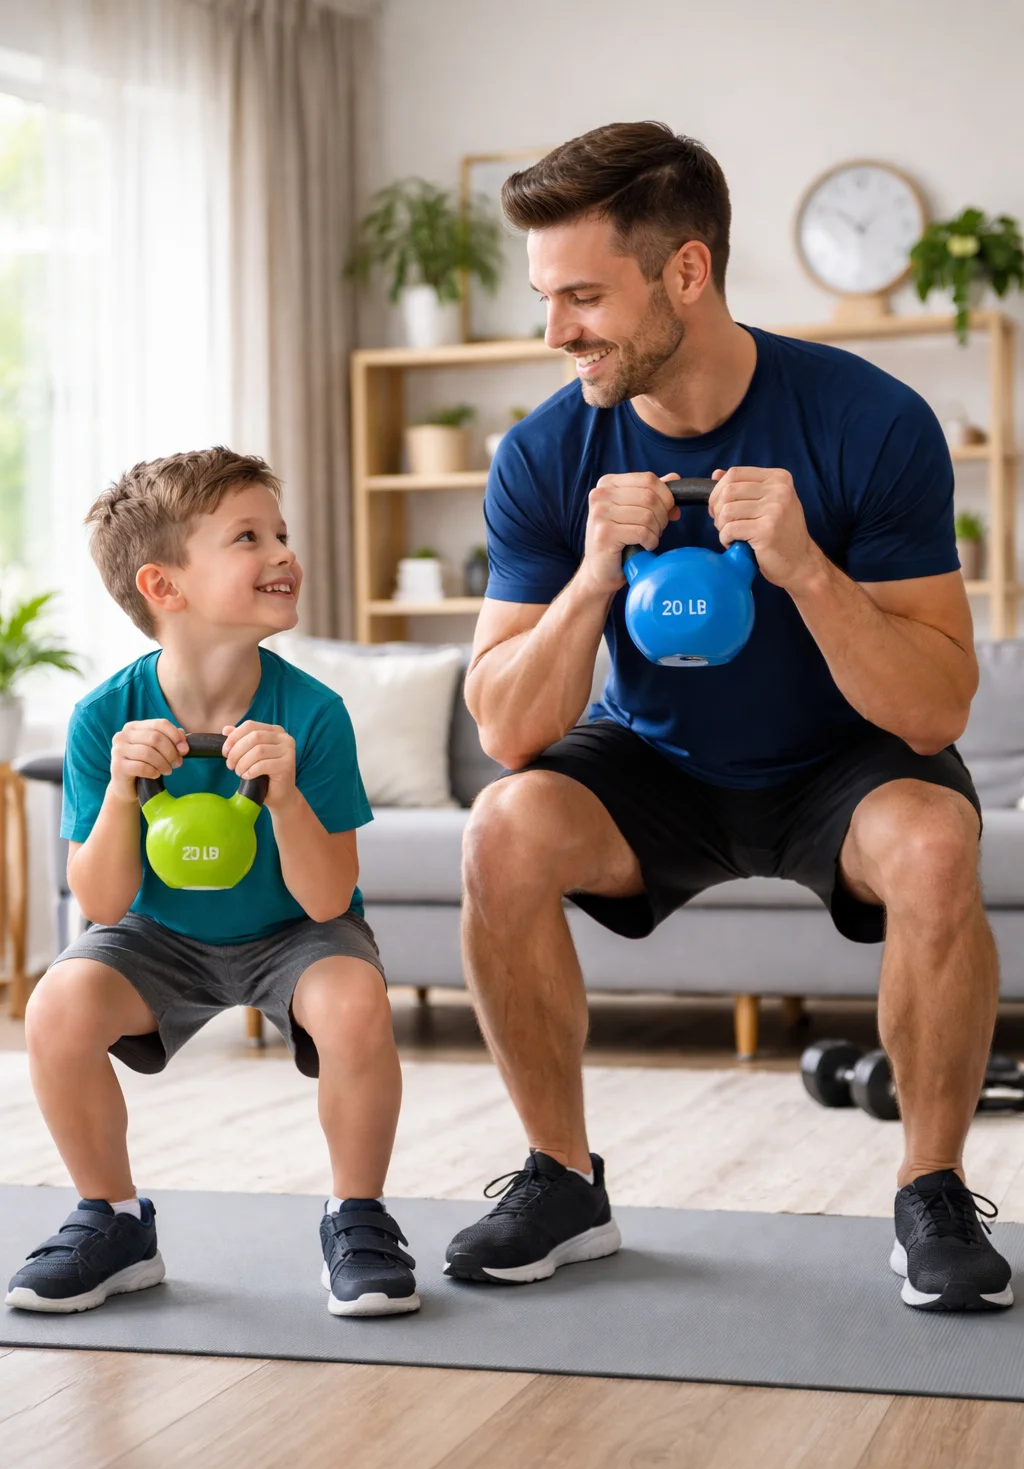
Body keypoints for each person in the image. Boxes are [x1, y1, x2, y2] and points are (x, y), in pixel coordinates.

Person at [444, 122, 1012, 1313]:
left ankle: (932, 1190)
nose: (556, 332)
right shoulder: (545, 455)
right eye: (548, 298)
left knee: (934, 839)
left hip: (840, 761)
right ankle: (560, 1181)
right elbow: (505, 727)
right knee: (501, 827)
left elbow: (933, 707)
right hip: (653, 760)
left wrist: (806, 567)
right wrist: (594, 574)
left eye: (585, 296)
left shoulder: (870, 420)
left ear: (687, 272)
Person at [5, 448, 418, 1319]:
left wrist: (290, 797)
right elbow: (104, 904)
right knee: (56, 1008)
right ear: (165, 585)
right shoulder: (102, 717)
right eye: (247, 537)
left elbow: (327, 898)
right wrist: (120, 792)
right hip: (158, 937)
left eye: (281, 533)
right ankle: (113, 1222)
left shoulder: (312, 713)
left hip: (296, 932)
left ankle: (358, 1215)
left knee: (354, 1004)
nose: (281, 553)